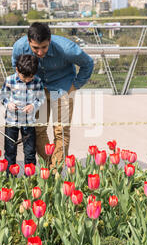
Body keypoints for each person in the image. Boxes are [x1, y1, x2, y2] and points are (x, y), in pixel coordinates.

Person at [12, 22, 94, 169]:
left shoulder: (67, 48)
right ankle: (50, 165)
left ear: (49, 40)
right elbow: (16, 66)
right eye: (35, 48)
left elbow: (88, 63)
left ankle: (56, 169)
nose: (40, 52)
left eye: (44, 47)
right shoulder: (19, 47)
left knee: (61, 131)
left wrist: (75, 86)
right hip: (37, 90)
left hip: (62, 89)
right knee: (38, 129)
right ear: (28, 41)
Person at [0, 54, 45, 176]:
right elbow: (2, 96)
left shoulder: (37, 82)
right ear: (17, 70)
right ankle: (10, 179)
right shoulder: (10, 80)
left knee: (30, 152)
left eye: (30, 78)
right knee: (10, 152)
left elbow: (41, 98)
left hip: (29, 122)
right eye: (24, 77)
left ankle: (29, 179)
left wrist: (33, 106)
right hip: (11, 121)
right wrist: (8, 104)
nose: (26, 80)